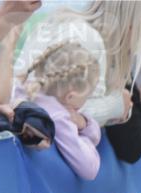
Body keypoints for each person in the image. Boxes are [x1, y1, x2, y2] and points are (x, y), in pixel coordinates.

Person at [24, 40, 101, 180]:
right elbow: (89, 169)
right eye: (87, 96)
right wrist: (84, 135)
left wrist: (84, 123)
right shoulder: (58, 119)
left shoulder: (26, 92)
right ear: (71, 97)